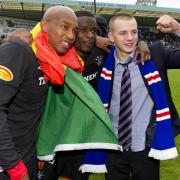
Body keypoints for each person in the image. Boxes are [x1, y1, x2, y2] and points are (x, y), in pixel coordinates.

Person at [97, 13, 180, 180]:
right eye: (123, 33)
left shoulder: (154, 54)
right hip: (113, 148)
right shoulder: (101, 59)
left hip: (146, 147)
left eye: (134, 32)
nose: (130, 38)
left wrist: (178, 29)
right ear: (111, 36)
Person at [0, 5, 79, 180]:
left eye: (74, 30)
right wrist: (14, 168)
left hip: (28, 159)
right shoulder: (20, 50)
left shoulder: (51, 61)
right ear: (44, 25)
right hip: (8, 165)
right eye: (64, 27)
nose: (71, 36)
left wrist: (100, 39)